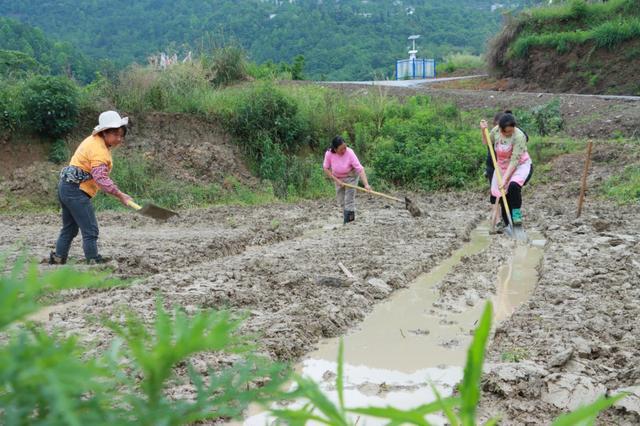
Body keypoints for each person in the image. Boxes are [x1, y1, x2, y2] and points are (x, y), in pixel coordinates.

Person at [49, 111, 132, 264]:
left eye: (121, 135)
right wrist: (121, 195)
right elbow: (101, 179)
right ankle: (93, 260)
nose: (119, 139)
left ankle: (58, 258)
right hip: (75, 191)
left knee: (70, 228)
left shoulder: (94, 140)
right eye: (116, 135)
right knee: (90, 229)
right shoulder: (99, 150)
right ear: (105, 132)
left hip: (66, 187)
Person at [480, 113, 533, 227]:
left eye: (511, 131)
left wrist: (505, 179)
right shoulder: (496, 131)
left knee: (513, 186)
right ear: (500, 129)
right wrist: (483, 131)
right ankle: (508, 224)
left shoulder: (519, 136)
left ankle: (516, 215)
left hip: (519, 165)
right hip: (502, 166)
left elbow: (515, 160)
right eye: (506, 132)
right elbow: (487, 142)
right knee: (501, 194)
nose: (509, 134)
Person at [323, 136, 371, 224]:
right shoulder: (329, 154)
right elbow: (326, 168)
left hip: (351, 177)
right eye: (341, 149)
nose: (344, 150)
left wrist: (366, 184)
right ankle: (348, 217)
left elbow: (360, 169)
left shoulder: (350, 153)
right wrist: (337, 180)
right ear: (335, 149)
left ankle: (349, 221)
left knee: (349, 200)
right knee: (341, 201)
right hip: (338, 178)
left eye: (345, 147)